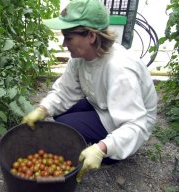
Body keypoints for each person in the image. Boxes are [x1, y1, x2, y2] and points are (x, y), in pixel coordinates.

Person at [22, 0, 157, 182]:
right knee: (60, 117)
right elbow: (64, 91)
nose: (63, 44)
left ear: (91, 36)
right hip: (103, 103)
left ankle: (112, 155)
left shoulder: (120, 69)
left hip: (129, 120)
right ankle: (98, 142)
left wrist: (102, 148)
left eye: (68, 38)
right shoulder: (79, 59)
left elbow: (136, 125)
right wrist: (43, 109)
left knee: (66, 128)